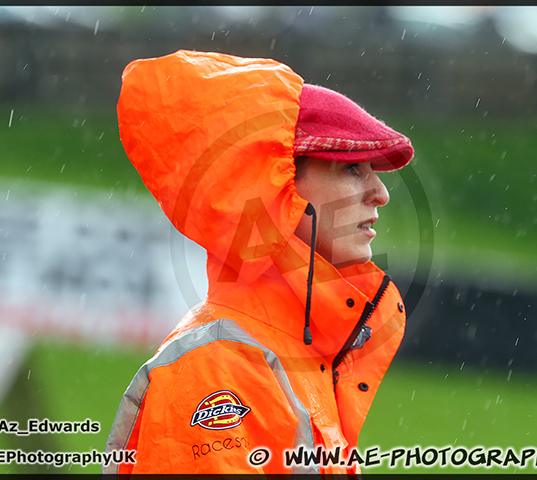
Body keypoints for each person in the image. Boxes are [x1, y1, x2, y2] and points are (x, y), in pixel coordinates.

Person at [103, 49, 414, 474]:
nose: (381, 193)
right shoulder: (218, 365)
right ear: (280, 190)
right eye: (352, 168)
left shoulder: (296, 351)